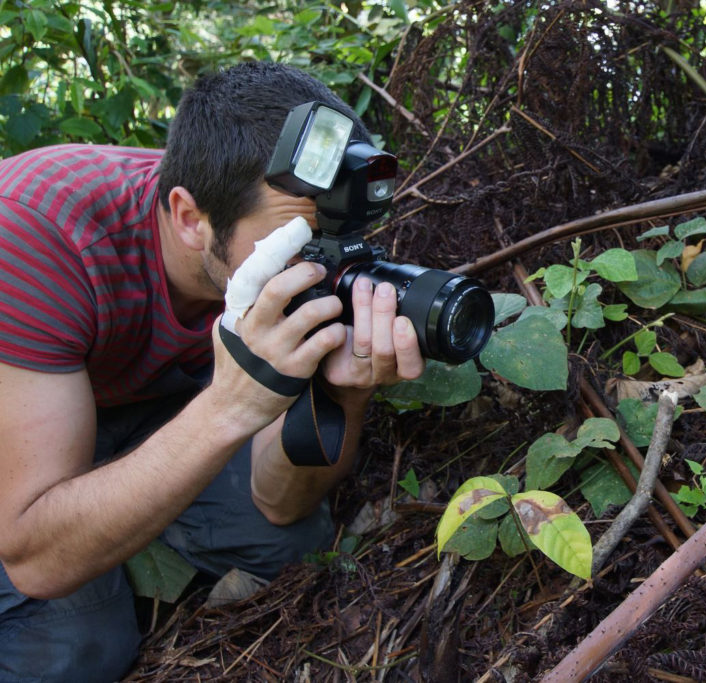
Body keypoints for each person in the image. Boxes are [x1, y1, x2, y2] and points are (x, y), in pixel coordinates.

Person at [0, 62, 424, 681]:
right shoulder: (41, 231)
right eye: (298, 241)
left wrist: (343, 390)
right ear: (190, 220)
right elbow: (37, 563)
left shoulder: (246, 217)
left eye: (335, 235)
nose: (321, 263)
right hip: (18, 406)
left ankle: (117, 518)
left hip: (134, 395)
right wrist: (227, 411)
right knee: (75, 646)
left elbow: (281, 505)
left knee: (289, 545)